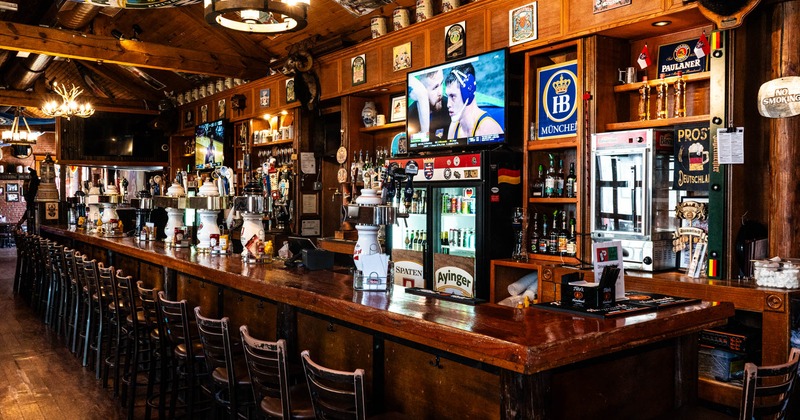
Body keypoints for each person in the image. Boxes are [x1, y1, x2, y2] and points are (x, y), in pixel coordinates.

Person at [444, 63, 503, 139]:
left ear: (468, 93)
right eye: (447, 96)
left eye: (453, 96)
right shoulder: (454, 126)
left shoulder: (487, 128)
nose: (448, 104)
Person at [407, 68, 450, 141]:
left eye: (442, 83)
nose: (440, 92)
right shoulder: (411, 115)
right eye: (435, 87)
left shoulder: (450, 107)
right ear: (424, 91)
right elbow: (416, 144)